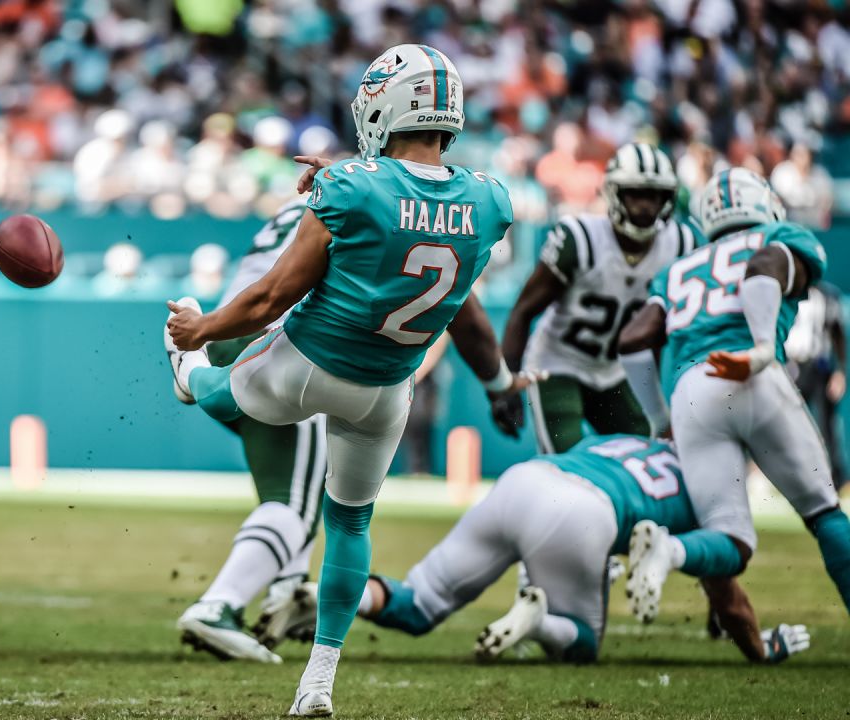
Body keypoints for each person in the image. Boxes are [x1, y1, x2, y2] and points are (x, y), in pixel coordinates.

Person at [164, 45, 536, 717]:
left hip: (304, 368)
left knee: (213, 385)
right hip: (386, 394)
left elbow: (268, 297)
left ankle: (184, 372)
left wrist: (202, 332)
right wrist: (503, 382)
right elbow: (424, 214)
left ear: (386, 107)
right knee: (351, 522)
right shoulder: (491, 202)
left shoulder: (348, 187)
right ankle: (318, 683)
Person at [617, 168, 850, 623]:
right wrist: (762, 348)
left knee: (731, 537)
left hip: (692, 392)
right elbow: (763, 269)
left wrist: (658, 418)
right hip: (752, 372)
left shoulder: (680, 268)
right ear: (762, 203)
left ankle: (669, 551)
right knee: (824, 515)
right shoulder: (780, 234)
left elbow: (632, 340)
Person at [357, 435, 810, 665]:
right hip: (583, 512)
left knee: (418, 604)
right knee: (583, 642)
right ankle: (540, 622)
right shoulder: (708, 489)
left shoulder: (630, 442)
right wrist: (761, 647)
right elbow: (728, 600)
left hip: (525, 479)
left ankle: (326, 596)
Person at [176, 197, 326, 664]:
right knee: (296, 506)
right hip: (277, 344)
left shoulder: (309, 197)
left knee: (293, 488)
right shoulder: (373, 194)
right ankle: (218, 605)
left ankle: (288, 591)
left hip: (229, 333)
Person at [495, 142, 697, 450]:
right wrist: (506, 386)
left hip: (615, 372)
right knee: (565, 468)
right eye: (635, 194)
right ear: (615, 194)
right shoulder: (582, 239)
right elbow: (523, 310)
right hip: (557, 364)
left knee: (640, 463)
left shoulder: (680, 244)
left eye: (653, 195)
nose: (645, 205)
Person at [785, 281, 846, 487]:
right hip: (794, 366)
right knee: (790, 424)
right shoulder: (788, 293)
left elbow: (837, 334)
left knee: (826, 425)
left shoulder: (827, 295)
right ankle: (793, 478)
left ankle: (835, 479)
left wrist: (840, 372)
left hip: (820, 367)